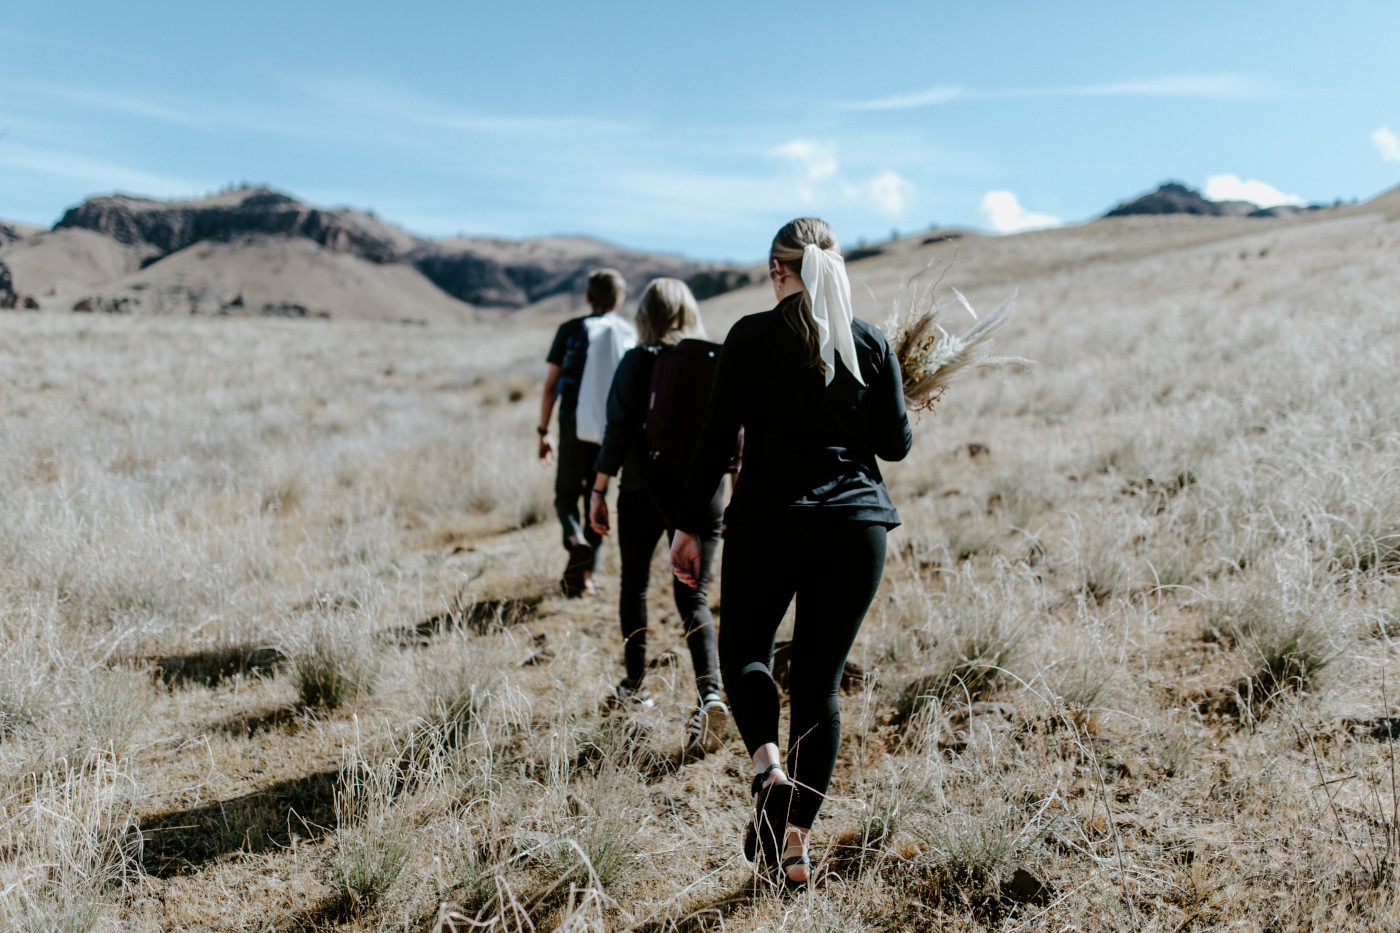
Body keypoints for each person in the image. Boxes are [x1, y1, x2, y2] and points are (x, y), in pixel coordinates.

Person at [669, 218, 912, 887]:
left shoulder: (750, 336)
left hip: (770, 520)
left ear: (779, 270)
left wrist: (690, 527)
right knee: (818, 686)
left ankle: (768, 770)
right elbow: (895, 446)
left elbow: (716, 439)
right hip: (855, 527)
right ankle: (797, 846)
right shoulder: (870, 341)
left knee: (745, 650)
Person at [588, 278, 729, 755]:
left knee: (635, 584)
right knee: (695, 596)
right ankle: (710, 694)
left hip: (641, 489)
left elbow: (617, 428)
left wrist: (597, 489)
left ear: (645, 315)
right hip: (703, 492)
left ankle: (635, 684)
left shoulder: (637, 360)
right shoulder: (714, 360)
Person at [538, 269, 629, 597]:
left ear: (588, 296)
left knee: (565, 494)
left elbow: (551, 386)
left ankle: (575, 539)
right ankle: (586, 578)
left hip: (574, 425)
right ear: (620, 299)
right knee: (598, 496)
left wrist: (543, 431)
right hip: (613, 432)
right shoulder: (629, 332)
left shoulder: (571, 330)